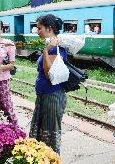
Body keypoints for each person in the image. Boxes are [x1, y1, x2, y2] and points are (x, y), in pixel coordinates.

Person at [29, 14, 67, 154]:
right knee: (43, 131)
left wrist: (45, 50)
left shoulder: (55, 48)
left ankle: (50, 159)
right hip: (46, 96)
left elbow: (48, 73)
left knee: (49, 133)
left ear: (49, 29)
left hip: (52, 97)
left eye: (39, 28)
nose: (37, 31)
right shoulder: (51, 46)